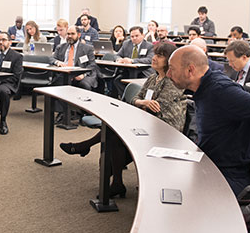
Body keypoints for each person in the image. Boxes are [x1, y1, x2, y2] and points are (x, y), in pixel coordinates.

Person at [59, 42, 185, 198]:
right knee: (112, 133)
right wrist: (142, 103)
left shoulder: (172, 83)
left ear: (169, 61)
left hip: (163, 131)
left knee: (112, 133)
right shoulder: (153, 78)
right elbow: (136, 98)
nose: (154, 58)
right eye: (155, 54)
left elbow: (158, 111)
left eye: (160, 56)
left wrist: (142, 105)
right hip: (146, 123)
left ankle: (86, 149)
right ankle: (116, 182)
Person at [167, 45, 250, 195]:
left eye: (172, 69)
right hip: (211, 163)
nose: (168, 74)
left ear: (190, 70)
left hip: (231, 173)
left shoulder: (221, 91)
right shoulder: (203, 89)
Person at [50, 26, 98, 91]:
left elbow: (92, 65)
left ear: (79, 35)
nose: (69, 36)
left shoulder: (87, 48)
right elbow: (51, 59)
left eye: (72, 34)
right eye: (68, 34)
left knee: (84, 85)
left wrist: (83, 75)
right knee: (55, 83)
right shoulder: (60, 47)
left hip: (80, 75)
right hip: (64, 74)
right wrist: (57, 62)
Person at [113, 26, 155, 97]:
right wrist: (119, 59)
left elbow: (149, 59)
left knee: (135, 83)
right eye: (132, 36)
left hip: (143, 71)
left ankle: (133, 98)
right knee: (117, 80)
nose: (134, 38)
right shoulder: (126, 43)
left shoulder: (149, 46)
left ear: (143, 35)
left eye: (136, 36)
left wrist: (132, 61)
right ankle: (127, 98)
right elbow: (117, 55)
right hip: (128, 71)